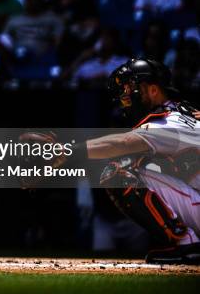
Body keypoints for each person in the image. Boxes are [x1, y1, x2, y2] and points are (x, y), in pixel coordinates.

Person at [49, 59, 200, 264]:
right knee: (143, 163)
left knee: (118, 171)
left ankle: (187, 245)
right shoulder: (185, 112)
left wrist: (67, 151)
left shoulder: (168, 122)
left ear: (154, 89)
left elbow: (122, 143)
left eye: (132, 87)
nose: (126, 95)